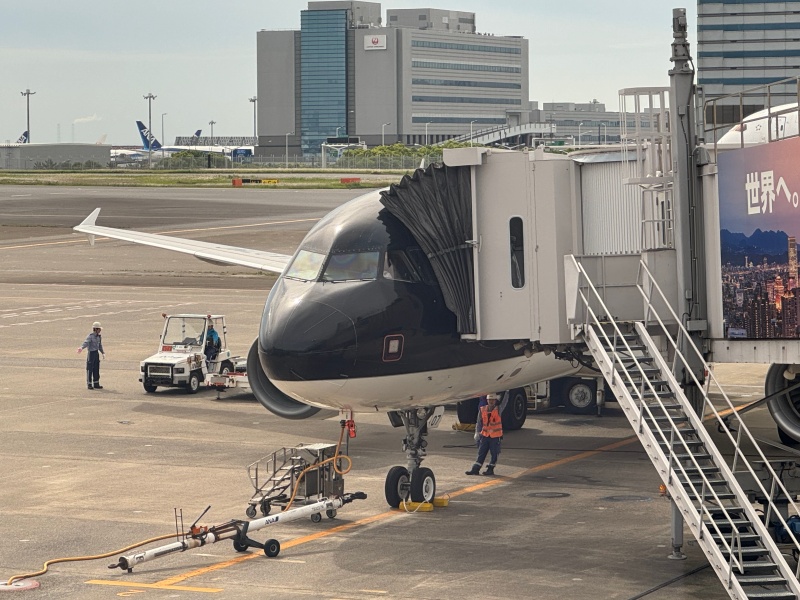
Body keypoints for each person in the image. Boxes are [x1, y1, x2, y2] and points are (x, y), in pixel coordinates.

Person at [465, 391, 508, 476]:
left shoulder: (498, 409)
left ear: (495, 401)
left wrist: (507, 393)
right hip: (485, 435)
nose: (491, 401)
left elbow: (505, 402)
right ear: (487, 400)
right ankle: (475, 469)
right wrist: (477, 432)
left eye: (493, 400)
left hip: (495, 437)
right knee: (481, 452)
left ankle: (490, 469)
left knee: (494, 453)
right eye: (489, 400)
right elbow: (479, 422)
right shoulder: (482, 410)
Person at [77, 321, 105, 390]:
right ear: (95, 329)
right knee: (90, 369)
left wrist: (102, 352)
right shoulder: (91, 336)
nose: (100, 330)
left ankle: (96, 383)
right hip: (91, 353)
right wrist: (81, 347)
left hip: (96, 353)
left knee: (96, 368)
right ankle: (89, 384)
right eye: (99, 329)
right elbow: (86, 342)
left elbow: (100, 345)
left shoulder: (99, 337)